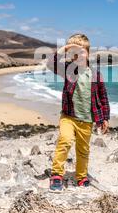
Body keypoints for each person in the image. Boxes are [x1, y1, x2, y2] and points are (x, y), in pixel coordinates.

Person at [46, 33, 110, 191]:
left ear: (88, 52)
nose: (78, 55)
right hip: (68, 117)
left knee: (83, 149)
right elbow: (50, 63)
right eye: (74, 53)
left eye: (82, 51)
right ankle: (56, 174)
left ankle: (81, 176)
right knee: (64, 141)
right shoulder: (68, 70)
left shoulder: (96, 75)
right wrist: (64, 48)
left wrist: (104, 119)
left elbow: (103, 98)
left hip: (87, 121)